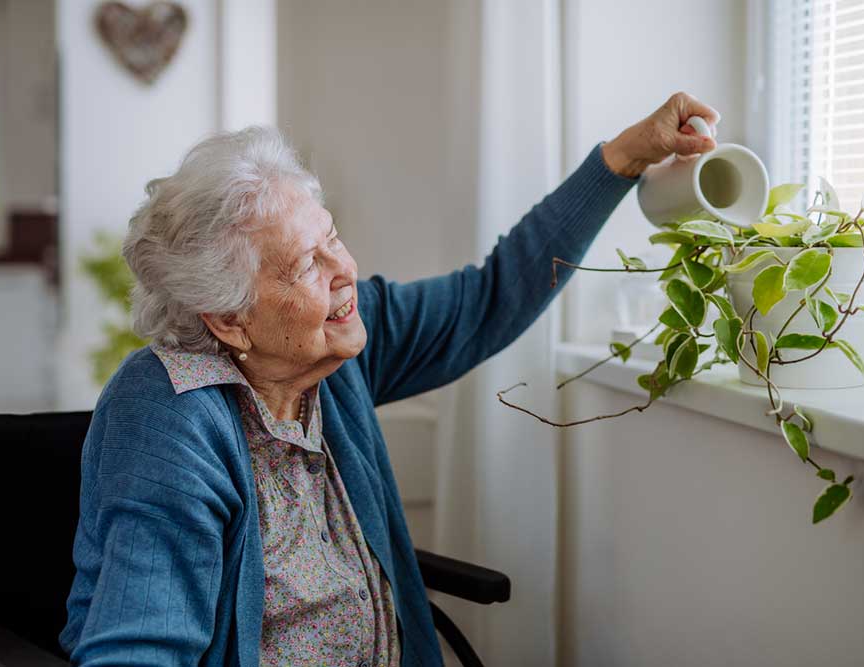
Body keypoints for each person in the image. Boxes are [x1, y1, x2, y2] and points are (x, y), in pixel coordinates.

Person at [60, 92, 719, 666]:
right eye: (304, 266)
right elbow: (137, 648)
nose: (343, 269)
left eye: (333, 238)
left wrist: (625, 158)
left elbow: (489, 298)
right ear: (230, 320)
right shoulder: (169, 417)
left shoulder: (333, 343)